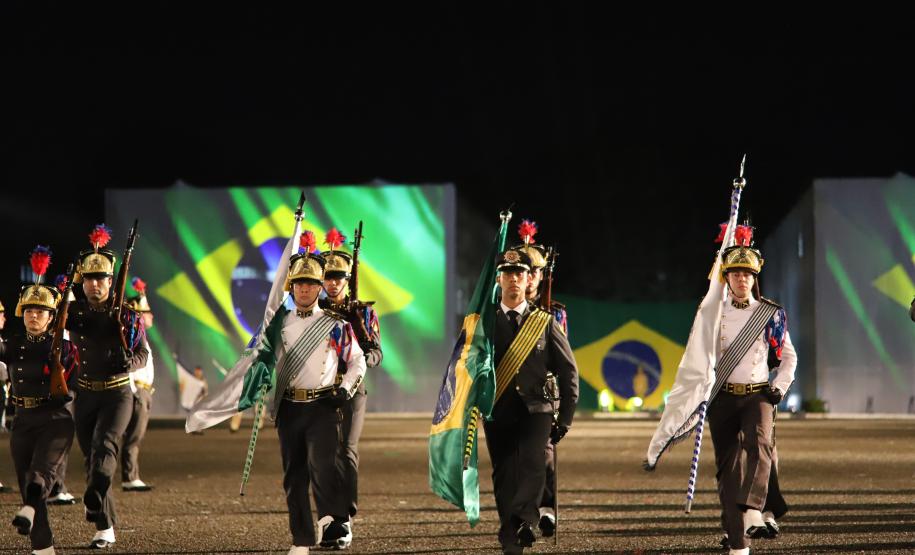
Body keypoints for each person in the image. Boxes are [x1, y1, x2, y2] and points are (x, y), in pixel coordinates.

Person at [272, 241, 367, 554]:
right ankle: (301, 540)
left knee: (324, 468)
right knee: (294, 478)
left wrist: (345, 389)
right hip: (289, 408)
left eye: (311, 284)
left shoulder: (335, 326)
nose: (304, 289)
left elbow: (358, 361)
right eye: (299, 283)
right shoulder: (279, 325)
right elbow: (263, 359)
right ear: (292, 286)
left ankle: (333, 521)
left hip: (324, 407)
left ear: (318, 288)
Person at [708, 226, 797, 555]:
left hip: (759, 394)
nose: (742, 280)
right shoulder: (712, 315)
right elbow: (699, 358)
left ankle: (755, 510)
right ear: (727, 278)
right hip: (723, 397)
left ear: (754, 278)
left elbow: (789, 357)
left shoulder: (770, 314)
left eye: (747, 274)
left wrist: (780, 386)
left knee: (761, 448)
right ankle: (738, 544)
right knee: (728, 471)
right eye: (736, 274)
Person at [483, 248, 578, 554]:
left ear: (528, 280)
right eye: (508, 274)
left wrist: (564, 418)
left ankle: (526, 518)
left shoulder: (545, 322)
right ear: (499, 279)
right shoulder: (482, 323)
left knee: (535, 462)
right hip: (497, 408)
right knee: (504, 474)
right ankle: (511, 537)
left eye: (520, 274)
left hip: (537, 407)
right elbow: (466, 369)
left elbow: (568, 371)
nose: (514, 279)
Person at [66, 224, 148, 549]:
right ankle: (105, 527)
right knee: (91, 458)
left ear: (111, 282)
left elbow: (143, 352)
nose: (95, 284)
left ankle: (96, 489)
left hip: (117, 393)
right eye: (89, 279)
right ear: (82, 283)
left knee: (106, 446)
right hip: (85, 393)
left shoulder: (127, 314)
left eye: (101, 279)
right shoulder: (71, 313)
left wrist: (132, 363)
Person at [2, 246, 79, 555]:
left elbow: (70, 389)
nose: (34, 315)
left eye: (41, 311)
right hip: (22, 421)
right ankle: (43, 547)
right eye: (30, 310)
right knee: (26, 485)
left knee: (39, 477)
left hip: (55, 421)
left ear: (51, 316)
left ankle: (32, 517)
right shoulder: (14, 345)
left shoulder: (64, 349)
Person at [318, 228, 382, 543]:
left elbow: (376, 351)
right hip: (318, 391)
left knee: (345, 450)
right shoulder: (312, 312)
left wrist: (362, 359)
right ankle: (328, 518)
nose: (332, 282)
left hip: (352, 389)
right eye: (327, 276)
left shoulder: (363, 312)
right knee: (320, 454)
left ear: (347, 278)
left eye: (338, 277)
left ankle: (344, 518)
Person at [511, 219, 568, 537]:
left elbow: (563, 360)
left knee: (544, 453)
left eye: (535, 272)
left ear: (543, 275)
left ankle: (545, 509)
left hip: (544, 394)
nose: (530, 278)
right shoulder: (501, 309)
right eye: (524, 272)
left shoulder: (554, 312)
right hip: (511, 392)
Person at [121, 277, 155, 492]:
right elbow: (130, 366)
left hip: (143, 390)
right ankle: (130, 476)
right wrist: (134, 392)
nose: (150, 316)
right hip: (137, 391)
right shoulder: (132, 337)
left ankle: (132, 475)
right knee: (133, 435)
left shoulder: (141, 337)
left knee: (136, 436)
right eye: (145, 313)